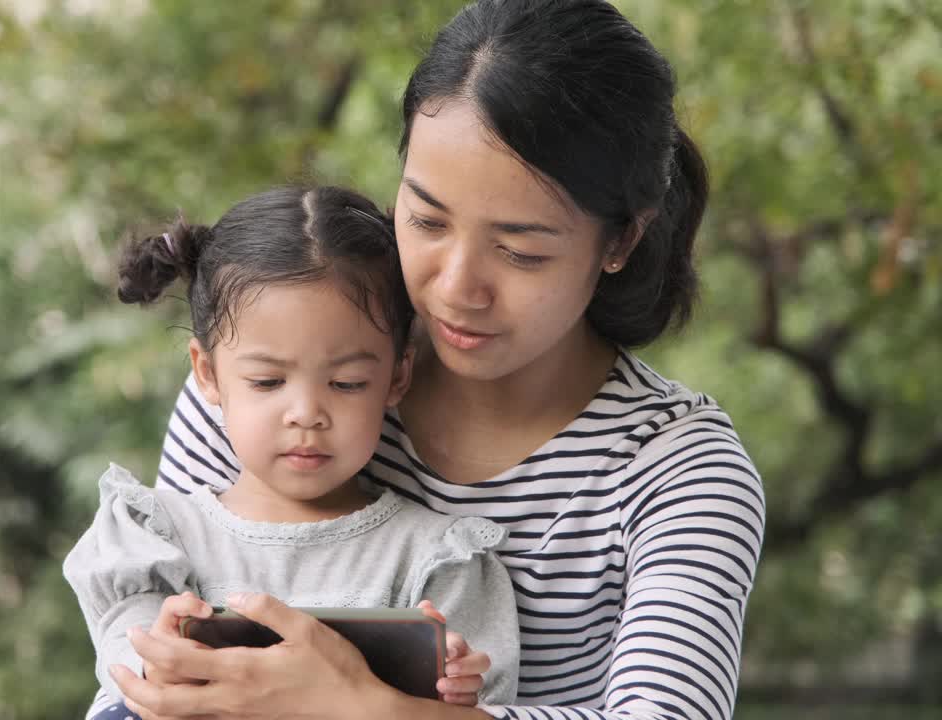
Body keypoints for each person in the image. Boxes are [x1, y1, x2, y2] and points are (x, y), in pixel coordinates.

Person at [111, 1, 766, 719]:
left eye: (521, 250)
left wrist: (366, 708)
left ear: (620, 241)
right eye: (425, 219)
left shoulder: (675, 466)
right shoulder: (275, 381)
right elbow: (154, 655)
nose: (455, 289)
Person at [66, 186, 523, 720]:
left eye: (347, 382)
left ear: (398, 374)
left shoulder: (436, 560)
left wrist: (457, 690)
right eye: (267, 381)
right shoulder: (158, 537)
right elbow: (126, 664)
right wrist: (157, 659)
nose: (306, 413)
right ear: (207, 373)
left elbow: (483, 701)